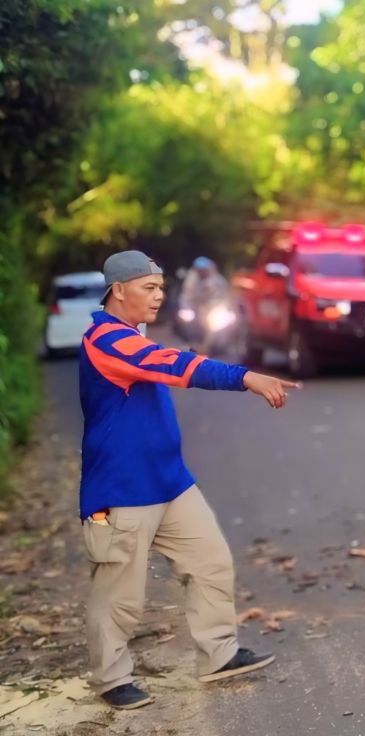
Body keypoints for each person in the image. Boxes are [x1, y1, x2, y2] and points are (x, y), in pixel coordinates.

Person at [79, 251, 298, 710]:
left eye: (161, 288)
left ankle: (219, 654)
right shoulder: (106, 339)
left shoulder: (133, 333)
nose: (159, 296)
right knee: (118, 593)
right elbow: (179, 366)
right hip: (121, 490)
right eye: (149, 288)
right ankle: (111, 678)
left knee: (211, 561)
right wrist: (246, 377)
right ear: (119, 290)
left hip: (170, 482)